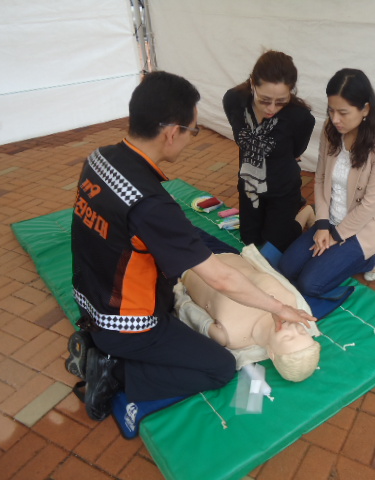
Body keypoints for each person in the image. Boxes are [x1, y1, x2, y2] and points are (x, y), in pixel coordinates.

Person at [68, 71, 315, 421]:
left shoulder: (99, 158)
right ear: (172, 133)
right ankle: (112, 369)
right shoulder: (150, 205)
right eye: (193, 131)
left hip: (89, 300)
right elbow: (222, 279)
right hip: (125, 325)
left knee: (193, 247)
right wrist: (280, 308)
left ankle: (106, 346)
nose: (190, 140)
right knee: (219, 367)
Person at [278, 69, 375, 313]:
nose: (335, 119)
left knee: (310, 283)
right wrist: (323, 225)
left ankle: (372, 257)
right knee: (287, 268)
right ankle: (339, 255)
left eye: (343, 112)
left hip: (362, 228)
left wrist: (336, 236)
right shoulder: (331, 131)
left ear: (365, 109)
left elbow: (371, 203)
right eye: (331, 110)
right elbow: (321, 179)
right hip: (331, 220)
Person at [223, 50, 316, 256]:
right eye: (264, 100)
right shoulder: (234, 100)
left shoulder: (300, 117)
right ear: (252, 84)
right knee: (249, 240)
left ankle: (305, 211)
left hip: (283, 189)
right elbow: (241, 135)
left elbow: (296, 151)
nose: (271, 109)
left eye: (281, 101)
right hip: (250, 185)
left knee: (273, 250)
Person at [176, 249, 321, 382]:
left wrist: (177, 289)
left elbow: (188, 310)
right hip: (226, 251)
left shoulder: (230, 336)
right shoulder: (290, 303)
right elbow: (262, 267)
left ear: (271, 353)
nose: (292, 328)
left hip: (189, 263)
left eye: (287, 337)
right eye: (301, 330)